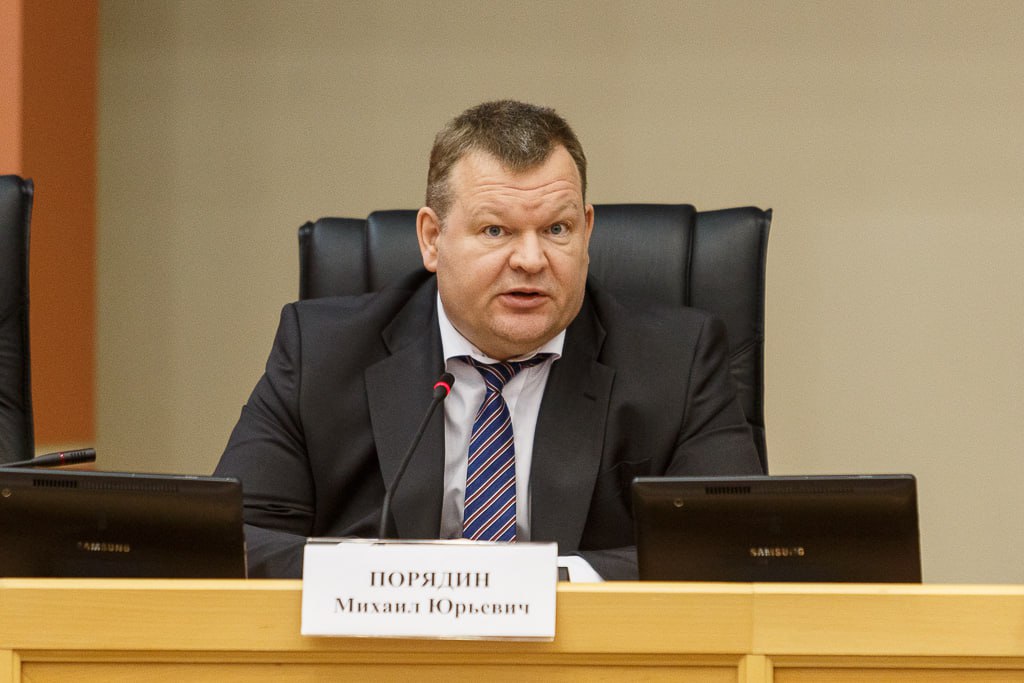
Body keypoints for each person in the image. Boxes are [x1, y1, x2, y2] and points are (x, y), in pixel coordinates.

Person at [214, 100, 762, 579]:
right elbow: (234, 542)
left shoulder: (677, 361)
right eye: (495, 230)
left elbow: (735, 543)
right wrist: (402, 583)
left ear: (587, 232)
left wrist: (542, 586)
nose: (531, 259)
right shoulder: (321, 352)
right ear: (432, 239)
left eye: (557, 229)